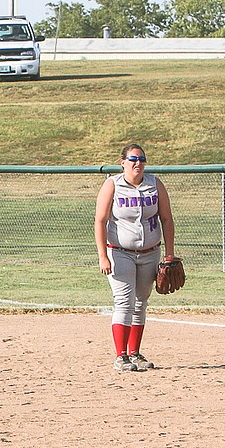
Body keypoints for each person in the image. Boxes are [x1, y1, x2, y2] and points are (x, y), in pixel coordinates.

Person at [94, 143, 176, 372]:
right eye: (132, 159)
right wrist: (103, 256)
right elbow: (100, 220)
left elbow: (167, 219)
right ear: (123, 163)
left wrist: (169, 254)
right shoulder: (112, 185)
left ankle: (134, 353)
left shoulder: (155, 184)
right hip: (119, 252)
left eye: (141, 159)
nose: (137, 163)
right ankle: (121, 356)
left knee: (141, 302)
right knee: (124, 301)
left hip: (151, 252)